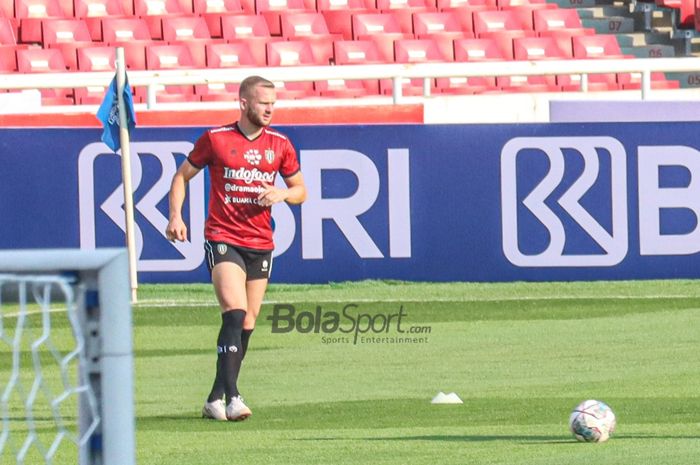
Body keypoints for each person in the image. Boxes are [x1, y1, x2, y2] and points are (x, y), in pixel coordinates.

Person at [165, 75, 307, 421]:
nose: (270, 108)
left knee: (248, 322)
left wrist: (283, 193)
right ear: (244, 103)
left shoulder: (281, 144)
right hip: (223, 236)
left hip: (261, 243)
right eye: (263, 102)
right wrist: (175, 216)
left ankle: (215, 397)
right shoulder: (215, 139)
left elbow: (300, 190)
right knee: (235, 312)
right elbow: (181, 175)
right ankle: (234, 397)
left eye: (273, 103)